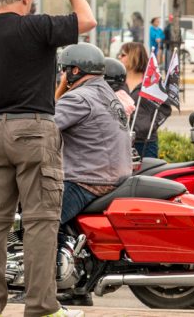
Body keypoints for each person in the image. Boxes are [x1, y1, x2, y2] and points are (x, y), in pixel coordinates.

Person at [0, 0, 96, 317]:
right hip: (34, 130)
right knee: (39, 222)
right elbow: (87, 20)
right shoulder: (37, 27)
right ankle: (41, 308)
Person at [53, 44, 131, 306]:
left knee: (40, 219)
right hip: (112, 176)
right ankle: (76, 285)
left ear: (75, 70)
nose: (63, 75)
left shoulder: (78, 98)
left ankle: (46, 283)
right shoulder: (107, 93)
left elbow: (45, 128)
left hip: (89, 178)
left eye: (65, 70)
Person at [121, 42, 172, 158]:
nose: (120, 57)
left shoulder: (151, 82)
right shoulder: (118, 81)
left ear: (133, 56)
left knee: (147, 175)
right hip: (120, 141)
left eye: (123, 55)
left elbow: (165, 108)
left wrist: (150, 126)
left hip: (146, 142)